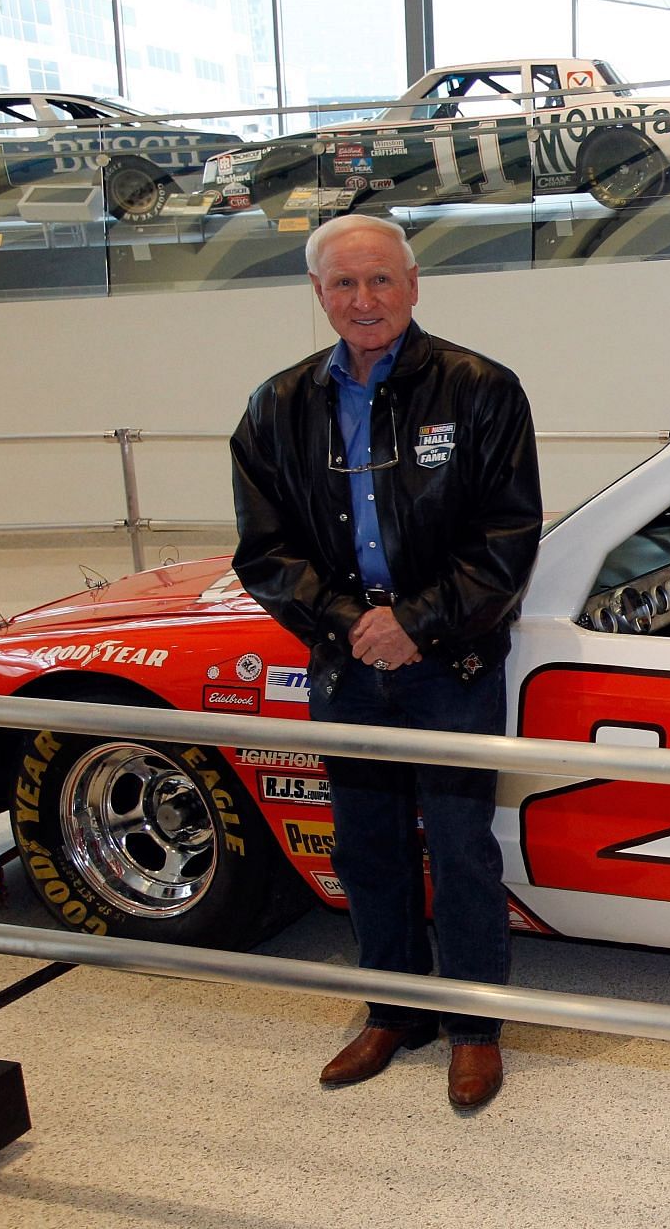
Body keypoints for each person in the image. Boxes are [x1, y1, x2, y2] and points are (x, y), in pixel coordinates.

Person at [230, 213, 541, 1110]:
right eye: (343, 285)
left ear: (413, 285)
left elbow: (508, 538)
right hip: (345, 663)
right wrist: (347, 623)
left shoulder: (482, 388)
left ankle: (474, 1026)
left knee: (460, 848)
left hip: (454, 663)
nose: (363, 300)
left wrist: (415, 622)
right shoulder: (275, 406)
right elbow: (265, 550)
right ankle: (393, 1009)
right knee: (366, 848)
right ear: (317, 295)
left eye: (380, 281)